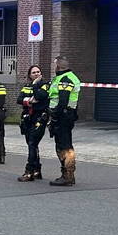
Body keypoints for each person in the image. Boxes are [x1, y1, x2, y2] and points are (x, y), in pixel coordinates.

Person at [47, 55, 81, 186]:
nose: (54, 67)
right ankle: (67, 175)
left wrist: (54, 114)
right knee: (63, 145)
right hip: (66, 115)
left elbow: (63, 100)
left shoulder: (66, 79)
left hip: (63, 116)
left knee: (64, 146)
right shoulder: (64, 77)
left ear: (59, 66)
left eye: (55, 64)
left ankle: (67, 175)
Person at [17, 65, 51, 181]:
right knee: (31, 144)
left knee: (32, 142)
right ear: (29, 75)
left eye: (38, 72)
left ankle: (29, 171)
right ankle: (37, 170)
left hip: (39, 118)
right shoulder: (26, 86)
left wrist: (36, 85)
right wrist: (29, 101)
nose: (36, 74)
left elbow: (40, 96)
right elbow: (19, 99)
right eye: (33, 72)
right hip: (28, 119)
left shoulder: (45, 85)